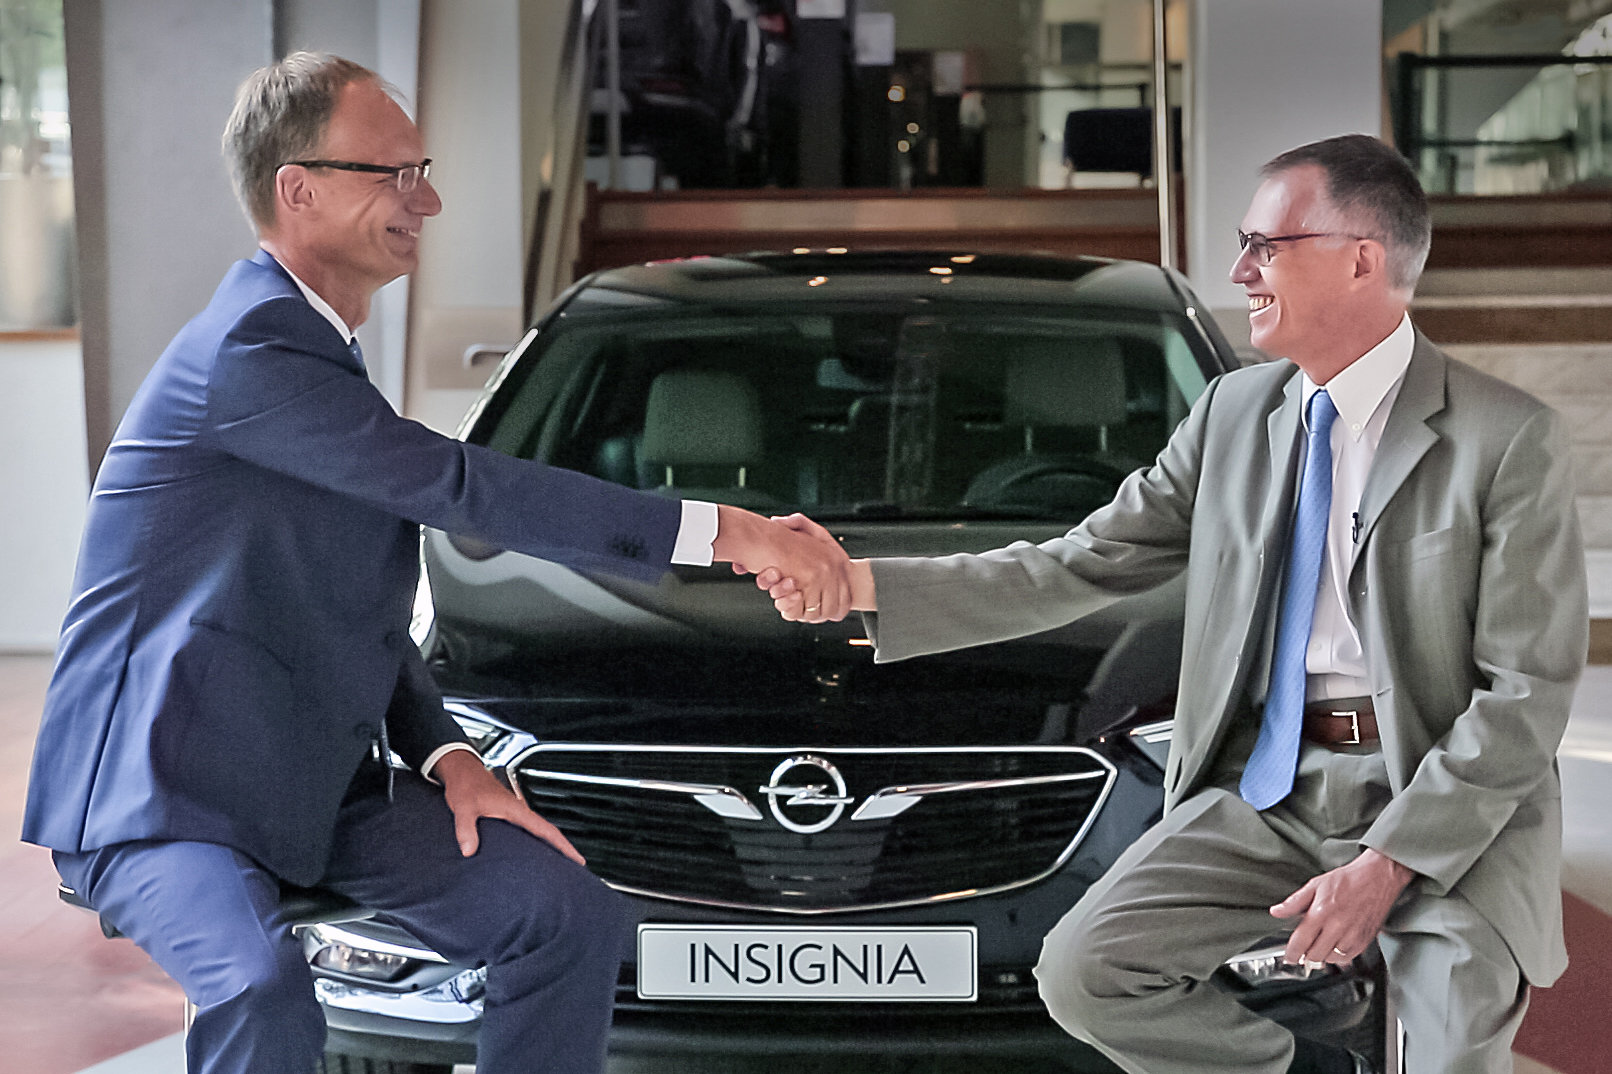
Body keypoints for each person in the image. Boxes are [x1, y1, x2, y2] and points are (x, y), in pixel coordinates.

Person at [21, 52, 847, 1074]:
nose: (429, 200)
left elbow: (355, 611)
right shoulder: (251, 349)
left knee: (564, 914)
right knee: (257, 987)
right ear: (298, 189)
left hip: (311, 779)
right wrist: (729, 532)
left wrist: (449, 756)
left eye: (423, 171)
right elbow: (463, 487)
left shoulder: (317, 352)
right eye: (396, 174)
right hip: (167, 789)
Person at [756, 134, 1586, 1073]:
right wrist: (860, 583)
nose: (1241, 271)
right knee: (1086, 973)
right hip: (1271, 790)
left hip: (1442, 801)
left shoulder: (1506, 438)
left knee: (1451, 1055)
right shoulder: (1233, 415)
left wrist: (1390, 862)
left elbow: (1525, 694)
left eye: (1265, 246)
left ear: (1362, 258)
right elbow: (1080, 563)